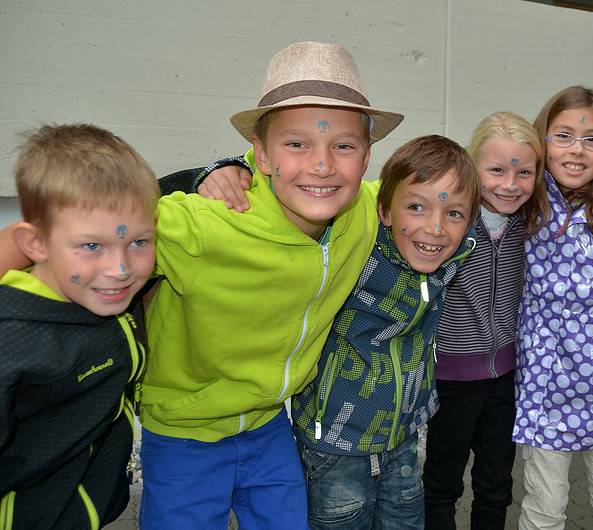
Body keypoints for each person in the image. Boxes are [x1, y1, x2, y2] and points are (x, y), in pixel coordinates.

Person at [138, 41, 403, 529]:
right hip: (184, 432)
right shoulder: (208, 222)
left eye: (344, 146)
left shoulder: (368, 211)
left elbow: (444, 195)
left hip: (269, 426)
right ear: (260, 154)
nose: (322, 165)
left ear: (368, 157)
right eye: (296, 144)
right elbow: (85, 228)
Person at [291, 134, 480, 529]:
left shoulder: (451, 256)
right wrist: (228, 171)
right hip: (336, 446)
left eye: (453, 214)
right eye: (416, 207)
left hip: (403, 441)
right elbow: (294, 193)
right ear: (384, 210)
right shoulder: (352, 244)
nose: (435, 228)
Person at [0, 124, 159, 529]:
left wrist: (224, 171)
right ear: (35, 244)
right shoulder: (11, 341)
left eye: (139, 242)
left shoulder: (102, 291)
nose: (121, 269)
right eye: (92, 246)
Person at [514, 86, 593, 530]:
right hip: (542, 379)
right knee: (544, 504)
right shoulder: (525, 200)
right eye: (564, 136)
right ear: (542, 140)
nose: (577, 149)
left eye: (591, 139)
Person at [422, 111, 541, 530]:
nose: (511, 184)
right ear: (473, 168)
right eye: (497, 170)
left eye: (524, 172)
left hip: (505, 378)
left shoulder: (531, 223)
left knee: (495, 484)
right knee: (442, 482)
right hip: (452, 379)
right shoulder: (450, 222)